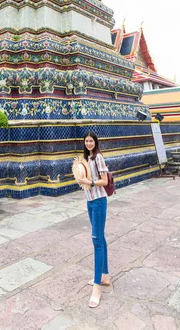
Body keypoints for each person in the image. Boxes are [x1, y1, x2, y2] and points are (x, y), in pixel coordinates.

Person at [77, 131, 110, 308]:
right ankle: (105, 276)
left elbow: (104, 181)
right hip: (90, 201)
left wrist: (89, 183)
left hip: (99, 201)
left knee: (96, 240)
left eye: (91, 141)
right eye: (86, 141)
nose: (89, 143)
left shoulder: (98, 158)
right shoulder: (86, 159)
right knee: (101, 238)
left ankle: (97, 288)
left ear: (95, 142)